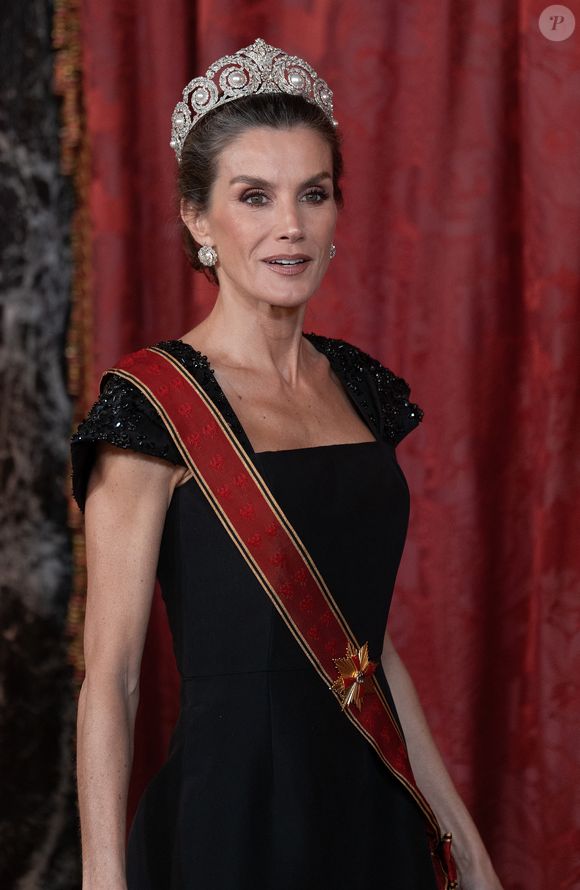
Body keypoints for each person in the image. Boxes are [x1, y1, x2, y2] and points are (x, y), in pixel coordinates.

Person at [71, 38, 503, 890]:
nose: (290, 227)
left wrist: (467, 844)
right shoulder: (151, 404)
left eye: (314, 194)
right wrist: (102, 880)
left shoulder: (362, 388)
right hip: (233, 819)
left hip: (373, 808)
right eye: (254, 197)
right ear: (200, 219)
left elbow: (363, 645)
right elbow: (112, 678)